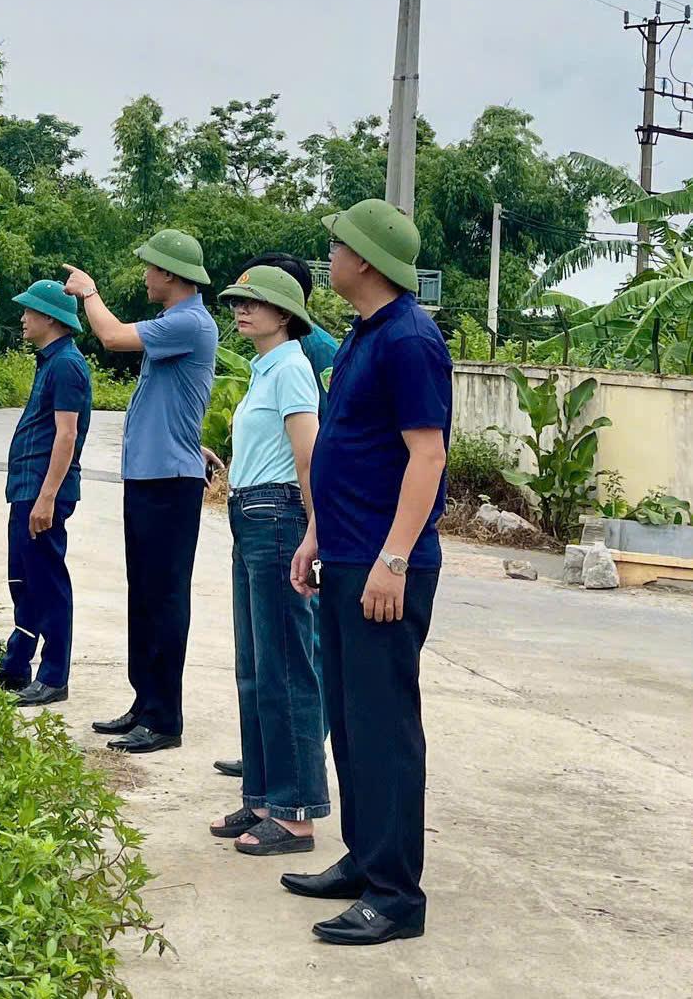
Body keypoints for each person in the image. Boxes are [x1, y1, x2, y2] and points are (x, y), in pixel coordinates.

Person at [284, 198, 451, 947]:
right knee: (351, 724)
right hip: (346, 554)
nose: (331, 257)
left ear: (368, 261)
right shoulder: (363, 335)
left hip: (386, 565)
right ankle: (364, 858)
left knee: (384, 728)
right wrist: (317, 532)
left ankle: (396, 896)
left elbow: (428, 456)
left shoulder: (411, 339)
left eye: (339, 245)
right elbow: (347, 449)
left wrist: (393, 558)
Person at [62, 229, 218, 754]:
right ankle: (144, 701)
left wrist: (88, 293)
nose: (146, 275)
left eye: (151, 267)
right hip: (154, 475)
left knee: (165, 597)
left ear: (171, 274)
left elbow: (110, 336)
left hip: (170, 481)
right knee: (144, 594)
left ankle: (165, 717)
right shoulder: (180, 322)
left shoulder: (188, 322)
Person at [205, 266, 328, 855]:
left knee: (285, 669)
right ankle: (261, 800)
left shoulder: (293, 369)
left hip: (278, 517)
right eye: (237, 302)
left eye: (254, 303)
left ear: (285, 315)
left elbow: (307, 455)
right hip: (248, 516)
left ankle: (297, 813)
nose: (241, 310)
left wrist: (314, 531)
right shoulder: (264, 370)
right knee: (254, 669)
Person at [0, 280, 93, 707]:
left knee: (48, 581)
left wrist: (48, 496)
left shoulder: (67, 365)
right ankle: (18, 664)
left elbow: (66, 436)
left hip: (41, 491)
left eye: (30, 311)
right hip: (28, 488)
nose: (23, 318)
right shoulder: (49, 362)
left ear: (50, 318)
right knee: (24, 577)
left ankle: (54, 675)